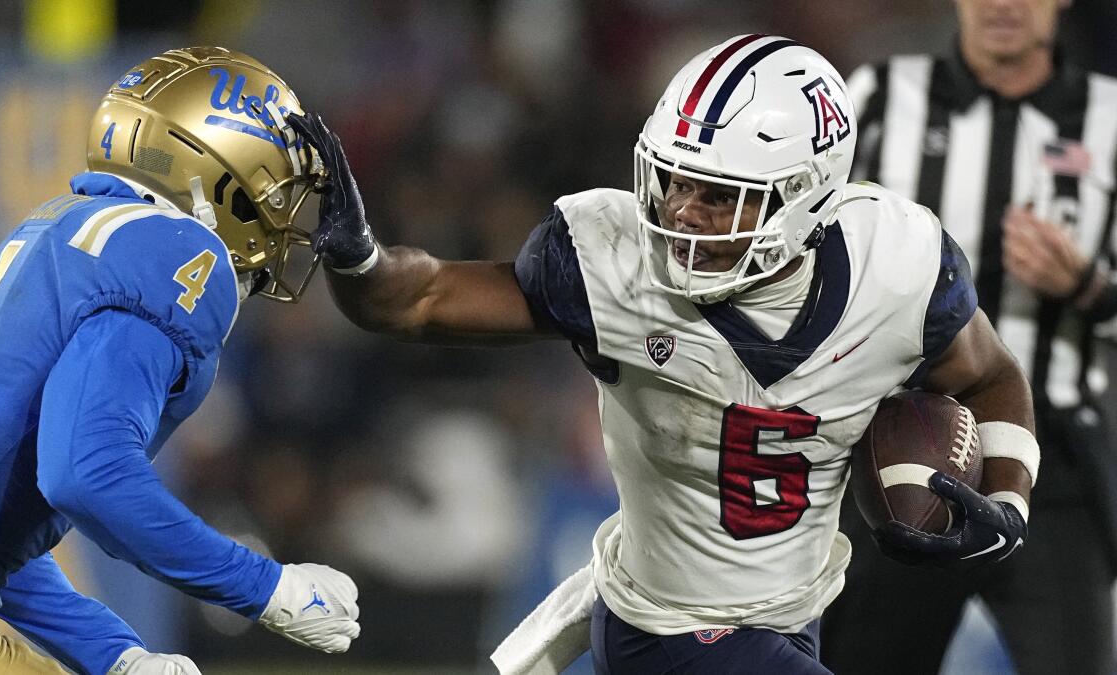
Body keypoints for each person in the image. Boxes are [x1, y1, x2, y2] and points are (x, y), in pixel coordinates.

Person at [290, 34, 1040, 674]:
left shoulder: (897, 266)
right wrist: (361, 259)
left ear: (807, 196)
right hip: (668, 624)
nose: (681, 208)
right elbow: (417, 300)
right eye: (675, 176)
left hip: (794, 615)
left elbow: (990, 373)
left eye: (719, 194)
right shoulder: (611, 263)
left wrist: (1007, 496)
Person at [0, 47, 360, 675]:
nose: (285, 218)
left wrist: (117, 655)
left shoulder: (65, 222)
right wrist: (266, 589)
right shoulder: (176, 251)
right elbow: (85, 473)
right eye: (279, 189)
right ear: (221, 168)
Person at [821, 1, 1117, 672]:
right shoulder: (876, 97)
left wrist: (1089, 288)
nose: (1003, 5)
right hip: (897, 444)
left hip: (1058, 467)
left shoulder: (1110, 117)